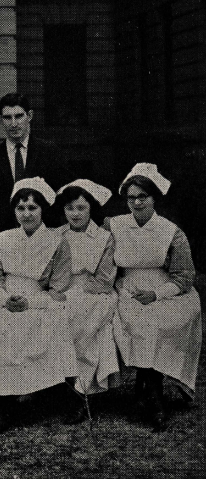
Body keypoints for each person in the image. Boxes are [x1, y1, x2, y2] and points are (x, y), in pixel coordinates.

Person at [0, 177, 76, 434]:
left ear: (42, 210)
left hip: (39, 301)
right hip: (4, 297)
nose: (26, 214)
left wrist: (29, 302)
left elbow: (58, 288)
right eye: (20, 208)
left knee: (19, 328)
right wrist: (4, 298)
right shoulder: (4, 238)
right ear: (14, 211)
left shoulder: (57, 241)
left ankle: (7, 404)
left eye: (32, 208)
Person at [107, 163, 201, 432]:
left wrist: (156, 294)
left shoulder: (170, 232)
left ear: (154, 198)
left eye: (142, 197)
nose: (136, 203)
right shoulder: (114, 225)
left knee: (155, 321)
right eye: (131, 198)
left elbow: (184, 277)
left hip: (164, 289)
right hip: (127, 287)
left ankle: (152, 388)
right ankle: (150, 390)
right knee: (134, 320)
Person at [55, 180, 120, 424]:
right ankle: (59, 384)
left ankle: (82, 393)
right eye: (70, 208)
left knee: (80, 318)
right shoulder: (56, 235)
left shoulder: (104, 238)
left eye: (81, 208)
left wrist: (74, 291)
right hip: (62, 289)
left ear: (91, 208)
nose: (75, 214)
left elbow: (104, 279)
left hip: (96, 293)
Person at [0, 93, 72, 242]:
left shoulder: (49, 151)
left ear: (30, 116)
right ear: (1, 119)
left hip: (44, 234)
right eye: (7, 118)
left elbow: (64, 194)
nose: (13, 124)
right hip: (6, 236)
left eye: (19, 116)